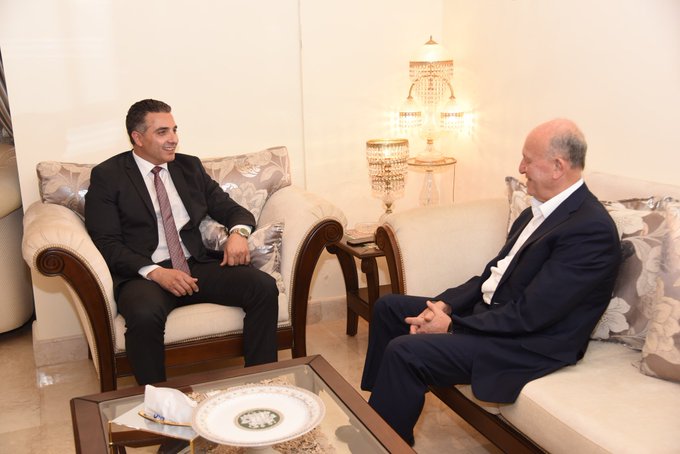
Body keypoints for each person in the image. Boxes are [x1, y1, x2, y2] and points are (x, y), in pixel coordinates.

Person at [360, 118, 622, 445]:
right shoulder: (535, 213)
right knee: (388, 308)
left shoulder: (590, 230)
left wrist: (451, 326)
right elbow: (491, 277)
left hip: (527, 343)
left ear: (558, 166)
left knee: (406, 351)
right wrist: (445, 305)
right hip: (494, 317)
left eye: (528, 160)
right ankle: (377, 422)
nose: (521, 167)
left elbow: (532, 315)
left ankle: (383, 446)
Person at [85, 99, 278, 385]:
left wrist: (239, 233)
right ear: (138, 138)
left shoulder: (189, 167)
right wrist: (156, 272)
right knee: (143, 315)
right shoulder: (108, 176)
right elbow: (106, 241)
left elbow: (230, 209)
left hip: (194, 264)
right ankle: (159, 399)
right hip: (145, 274)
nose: (173, 139)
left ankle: (261, 382)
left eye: (174, 130)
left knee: (263, 287)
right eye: (162, 132)